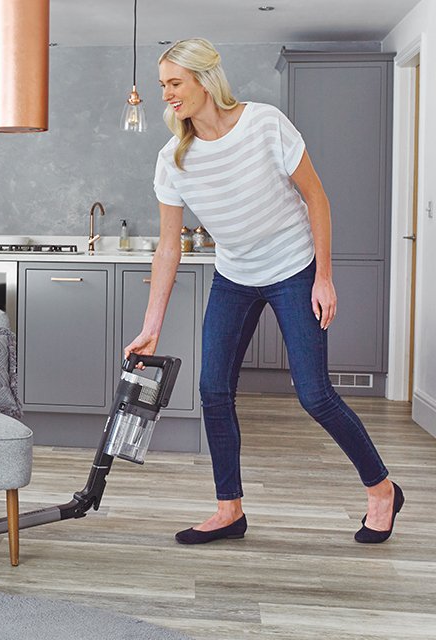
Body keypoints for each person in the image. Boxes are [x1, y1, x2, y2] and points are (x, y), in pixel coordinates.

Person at [124, 38, 404, 545]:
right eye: (162, 84)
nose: (166, 94)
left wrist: (324, 275)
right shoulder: (173, 158)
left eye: (174, 83)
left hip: (295, 268)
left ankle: (382, 489)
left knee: (315, 394)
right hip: (234, 277)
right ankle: (229, 509)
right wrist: (151, 326)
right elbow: (169, 248)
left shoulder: (264, 124)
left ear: (205, 80)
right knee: (213, 390)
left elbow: (316, 199)